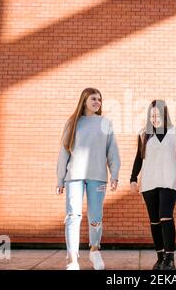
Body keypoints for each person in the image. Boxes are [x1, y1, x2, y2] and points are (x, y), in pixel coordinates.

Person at [56, 87, 121, 270]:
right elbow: (63, 152)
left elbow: (112, 151)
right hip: (74, 177)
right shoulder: (72, 123)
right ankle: (72, 259)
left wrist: (114, 174)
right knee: (72, 216)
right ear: (84, 100)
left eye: (99, 99)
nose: (97, 102)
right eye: (93, 99)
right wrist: (60, 179)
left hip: (98, 176)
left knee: (95, 216)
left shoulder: (105, 123)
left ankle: (94, 250)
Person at [130, 100, 176, 270]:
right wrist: (133, 178)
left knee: (165, 216)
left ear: (164, 114)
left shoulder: (175, 133)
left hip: (169, 180)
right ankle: (160, 256)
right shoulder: (143, 134)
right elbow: (139, 158)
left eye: (157, 115)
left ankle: (170, 259)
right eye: (152, 115)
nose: (154, 118)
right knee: (154, 221)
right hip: (149, 181)